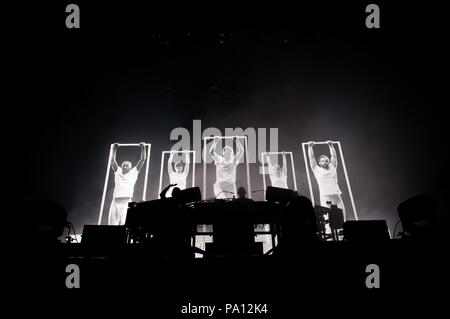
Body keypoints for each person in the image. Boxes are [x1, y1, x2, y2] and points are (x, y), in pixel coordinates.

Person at [108, 142, 146, 225]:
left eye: (127, 165)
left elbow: (142, 160)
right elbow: (112, 161)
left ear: (130, 167)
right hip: (115, 200)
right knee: (111, 225)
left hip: (126, 201)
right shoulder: (118, 171)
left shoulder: (134, 172)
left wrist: (143, 147)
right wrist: (114, 149)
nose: (125, 166)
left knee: (124, 224)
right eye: (123, 165)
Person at [308, 141, 346, 220]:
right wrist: (310, 147)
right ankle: (328, 231)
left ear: (328, 161)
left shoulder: (332, 167)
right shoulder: (316, 169)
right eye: (322, 161)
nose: (324, 162)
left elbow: (334, 157)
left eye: (326, 161)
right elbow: (311, 158)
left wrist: (331, 146)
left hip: (335, 194)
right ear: (319, 162)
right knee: (326, 215)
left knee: (341, 212)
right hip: (325, 195)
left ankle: (343, 228)